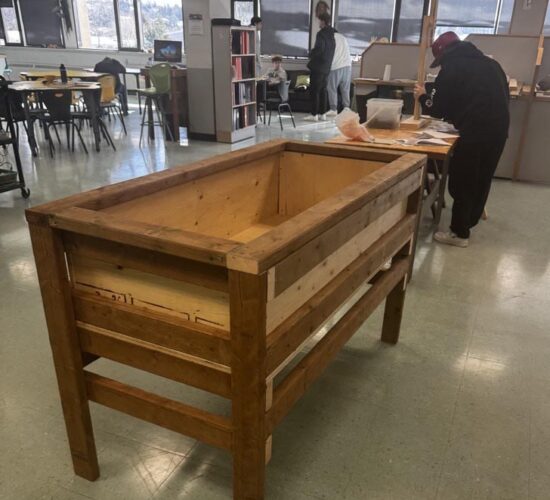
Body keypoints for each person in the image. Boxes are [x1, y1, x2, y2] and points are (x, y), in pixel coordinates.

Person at [414, 31, 509, 248]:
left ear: (444, 54)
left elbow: (438, 108)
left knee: (463, 181)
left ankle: (459, 233)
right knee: (482, 178)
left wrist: (421, 97)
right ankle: (470, 219)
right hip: (499, 130)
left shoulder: (452, 68)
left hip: (475, 132)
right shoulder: (492, 65)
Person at [305, 12, 335, 122]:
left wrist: (310, 54)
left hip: (318, 67)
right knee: (323, 91)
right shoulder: (333, 33)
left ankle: (314, 115)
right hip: (327, 67)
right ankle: (323, 114)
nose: (318, 23)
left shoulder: (321, 34)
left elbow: (319, 49)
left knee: (314, 91)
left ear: (323, 21)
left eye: (319, 20)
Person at [326, 31, 352, 117]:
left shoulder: (330, 38)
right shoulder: (343, 37)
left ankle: (333, 109)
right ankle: (346, 108)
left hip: (336, 66)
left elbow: (329, 53)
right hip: (347, 65)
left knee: (331, 88)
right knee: (345, 89)